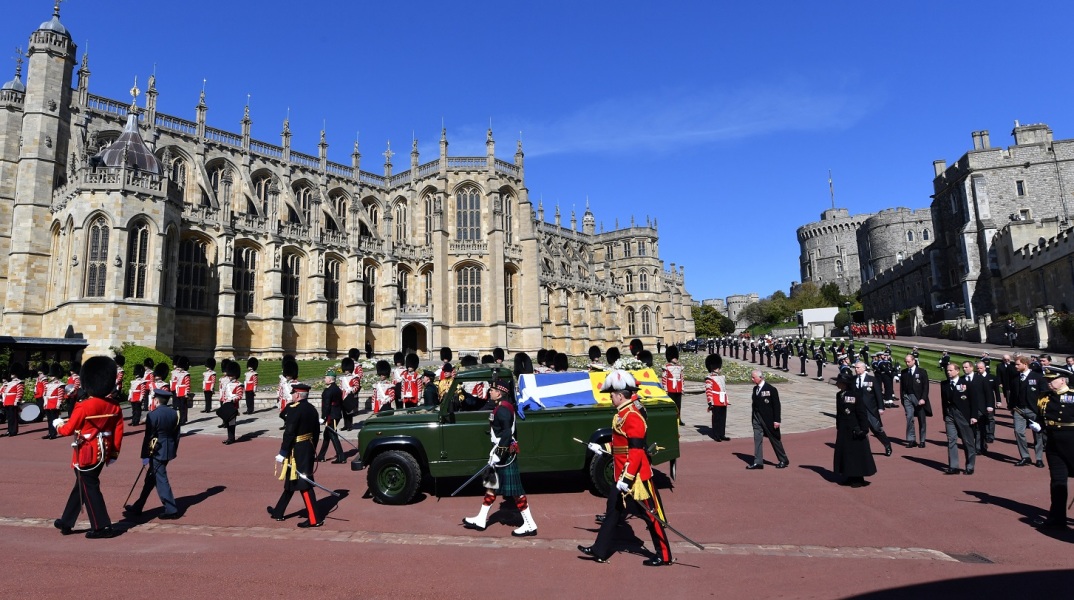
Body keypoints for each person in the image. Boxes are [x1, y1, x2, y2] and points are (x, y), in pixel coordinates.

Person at [578, 370, 672, 566]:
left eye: (612, 394)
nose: (610, 397)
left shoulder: (632, 416)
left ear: (620, 395)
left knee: (651, 516)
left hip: (636, 479)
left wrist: (627, 478)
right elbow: (621, 446)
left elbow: (636, 452)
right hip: (620, 476)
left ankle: (664, 555)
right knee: (613, 511)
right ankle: (600, 549)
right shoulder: (623, 414)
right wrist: (602, 449)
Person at [53, 356, 124, 538]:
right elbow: (118, 431)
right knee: (82, 485)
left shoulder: (83, 406)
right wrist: (114, 453)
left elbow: (68, 429)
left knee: (90, 487)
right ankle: (66, 521)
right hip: (103, 452)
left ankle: (102, 526)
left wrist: (57, 424)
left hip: (86, 453)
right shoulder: (114, 406)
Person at [462, 380, 537, 537]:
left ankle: (530, 524)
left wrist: (498, 454)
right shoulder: (502, 407)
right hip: (497, 452)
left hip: (503, 455)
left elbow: (506, 434)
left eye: (493, 390)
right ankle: (481, 519)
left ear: (500, 392)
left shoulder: (503, 410)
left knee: (516, 492)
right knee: (491, 485)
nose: (490, 392)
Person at [269, 383, 323, 528]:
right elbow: (316, 432)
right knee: (291, 480)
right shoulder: (311, 409)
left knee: (304, 483)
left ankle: (314, 519)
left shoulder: (295, 410)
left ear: (297, 395)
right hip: (308, 447)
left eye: (293, 394)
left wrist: (282, 452)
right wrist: (313, 449)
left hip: (296, 449)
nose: (291, 396)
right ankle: (278, 512)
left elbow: (289, 433)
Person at [125, 388, 181, 520]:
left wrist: (144, 455)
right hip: (168, 448)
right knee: (150, 478)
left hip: (156, 449)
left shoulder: (153, 415)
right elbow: (176, 435)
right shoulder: (174, 413)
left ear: (156, 400)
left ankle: (171, 509)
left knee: (160, 478)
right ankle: (138, 506)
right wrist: (173, 450)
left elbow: (148, 436)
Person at [1035, 368, 1074, 529]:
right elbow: (1041, 417)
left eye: (1052, 380)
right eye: (1048, 380)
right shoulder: (1044, 397)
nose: (1049, 383)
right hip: (1053, 442)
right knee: (1057, 481)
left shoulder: (1072, 396)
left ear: (1063, 380)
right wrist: (1038, 425)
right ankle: (1057, 517)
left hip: (1072, 440)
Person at [832, 371, 876, 487]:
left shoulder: (855, 395)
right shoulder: (839, 395)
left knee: (856, 454)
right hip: (843, 429)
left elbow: (861, 412)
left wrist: (864, 429)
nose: (837, 384)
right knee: (846, 453)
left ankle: (858, 478)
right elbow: (839, 413)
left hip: (854, 429)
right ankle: (849, 475)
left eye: (840, 383)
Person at [940, 362, 980, 475]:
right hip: (950, 415)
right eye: (947, 370)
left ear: (957, 371)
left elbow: (974, 401)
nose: (948, 372)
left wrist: (974, 416)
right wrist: (945, 415)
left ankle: (970, 466)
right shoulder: (944, 384)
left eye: (951, 370)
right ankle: (954, 466)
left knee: (967, 441)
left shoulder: (966, 384)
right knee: (951, 439)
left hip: (963, 414)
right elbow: (943, 401)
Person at [747, 369, 789, 469]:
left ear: (760, 377)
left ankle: (783, 459)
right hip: (757, 418)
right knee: (757, 439)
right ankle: (758, 462)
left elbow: (776, 405)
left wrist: (777, 420)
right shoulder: (755, 389)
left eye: (754, 377)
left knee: (774, 439)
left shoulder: (771, 389)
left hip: (768, 419)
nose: (752, 379)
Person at [1010, 355, 1046, 468]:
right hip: (1019, 410)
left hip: (1034, 410)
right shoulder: (1015, 378)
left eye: (1017, 364)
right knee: (1018, 432)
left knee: (1038, 434)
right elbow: (1013, 394)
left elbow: (1044, 394)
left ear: (1025, 364)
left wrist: (1042, 410)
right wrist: (1012, 407)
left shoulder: (1038, 377)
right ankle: (1025, 456)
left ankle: (1039, 458)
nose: (1015, 366)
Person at [852, 360, 892, 456]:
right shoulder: (853, 380)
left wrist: (881, 407)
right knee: (860, 430)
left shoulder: (871, 379)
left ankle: (887, 445)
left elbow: (878, 394)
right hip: (858, 409)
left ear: (864, 368)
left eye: (858, 367)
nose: (856, 369)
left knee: (876, 429)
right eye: (855, 368)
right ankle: (863, 449)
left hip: (870, 409)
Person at [899, 353, 930, 448]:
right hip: (907, 397)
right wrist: (903, 398)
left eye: (908, 361)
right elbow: (902, 387)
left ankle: (922, 440)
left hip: (918, 397)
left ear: (913, 361)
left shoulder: (921, 371)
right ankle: (911, 439)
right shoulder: (904, 372)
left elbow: (926, 386)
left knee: (921, 419)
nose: (907, 363)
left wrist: (923, 398)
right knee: (909, 417)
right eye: (906, 361)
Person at [315, 370, 345, 464]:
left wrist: (323, 417)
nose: (325, 379)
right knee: (326, 435)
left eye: (326, 377)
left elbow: (326, 406)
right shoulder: (337, 389)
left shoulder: (328, 391)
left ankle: (341, 456)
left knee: (333, 435)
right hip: (335, 414)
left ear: (330, 379)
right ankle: (321, 456)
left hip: (331, 416)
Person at [974, 361, 1000, 454]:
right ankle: (979, 446)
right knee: (980, 426)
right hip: (979, 404)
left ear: (985, 368)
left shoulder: (991, 378)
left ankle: (990, 434)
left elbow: (996, 390)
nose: (979, 370)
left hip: (989, 404)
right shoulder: (975, 378)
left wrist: (998, 401)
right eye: (977, 368)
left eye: (981, 368)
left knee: (990, 419)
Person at [705, 354, 729, 441]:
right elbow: (708, 391)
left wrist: (726, 400)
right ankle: (716, 435)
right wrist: (710, 402)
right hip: (715, 400)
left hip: (722, 400)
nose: (718, 369)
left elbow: (724, 390)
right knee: (716, 419)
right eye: (717, 367)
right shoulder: (709, 378)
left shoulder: (722, 377)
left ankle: (722, 434)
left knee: (723, 418)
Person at [220, 360, 243, 445]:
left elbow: (239, 395)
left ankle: (231, 438)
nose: (229, 376)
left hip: (233, 406)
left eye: (230, 375)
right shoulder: (228, 384)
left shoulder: (239, 384)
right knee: (227, 422)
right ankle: (229, 438)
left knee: (231, 423)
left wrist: (233, 399)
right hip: (227, 405)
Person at [661, 345, 685, 426]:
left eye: (676, 357)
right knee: (672, 405)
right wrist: (665, 389)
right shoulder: (666, 367)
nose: (676, 358)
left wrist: (682, 388)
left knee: (678, 406)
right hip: (670, 389)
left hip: (678, 389)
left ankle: (678, 418)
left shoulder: (679, 367)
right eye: (674, 357)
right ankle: (671, 418)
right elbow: (664, 379)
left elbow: (682, 378)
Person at [42, 363, 66, 439]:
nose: (50, 377)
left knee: (54, 419)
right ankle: (50, 432)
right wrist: (45, 403)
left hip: (55, 403)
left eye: (52, 375)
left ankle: (53, 433)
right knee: (49, 420)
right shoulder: (48, 385)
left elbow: (60, 395)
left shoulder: (60, 384)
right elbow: (45, 395)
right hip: (49, 403)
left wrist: (58, 404)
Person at [2, 365, 24, 437]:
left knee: (13, 417)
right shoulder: (9, 383)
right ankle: (9, 430)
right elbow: (5, 392)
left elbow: (20, 392)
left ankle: (13, 431)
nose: (11, 375)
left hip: (13, 401)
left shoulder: (19, 382)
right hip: (7, 401)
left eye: (13, 373)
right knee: (9, 417)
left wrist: (17, 400)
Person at [171, 356, 191, 425]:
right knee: (179, 406)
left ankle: (183, 419)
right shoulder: (178, 374)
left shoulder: (186, 374)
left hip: (183, 391)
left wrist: (186, 393)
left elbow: (187, 384)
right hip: (178, 391)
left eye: (179, 366)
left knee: (183, 406)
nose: (178, 368)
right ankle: (180, 419)